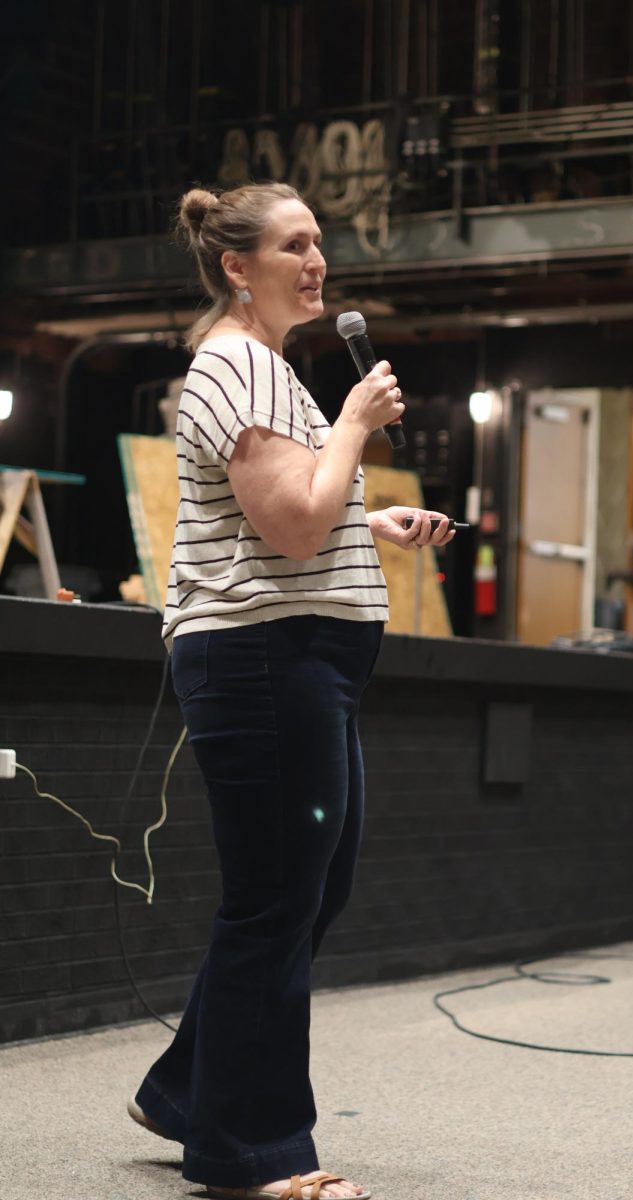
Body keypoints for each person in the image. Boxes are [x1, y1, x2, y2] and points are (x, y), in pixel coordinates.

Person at [127, 182, 459, 1200]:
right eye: (292, 244)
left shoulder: (265, 369)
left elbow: (292, 521)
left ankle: (190, 1088)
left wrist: (374, 524)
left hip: (300, 658)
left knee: (303, 895)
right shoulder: (235, 367)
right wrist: (356, 422)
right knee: (273, 903)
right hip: (265, 663)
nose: (317, 260)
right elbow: (292, 529)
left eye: (320, 241)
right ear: (237, 266)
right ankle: (250, 1151)